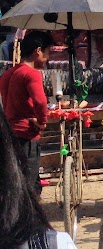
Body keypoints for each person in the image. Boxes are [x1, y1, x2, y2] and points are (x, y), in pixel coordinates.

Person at [0, 109, 103, 249]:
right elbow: (41, 106)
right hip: (27, 136)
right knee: (32, 183)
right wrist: (41, 122)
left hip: (16, 135)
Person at [0, 30, 52, 193]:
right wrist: (42, 121)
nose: (47, 58)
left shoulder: (8, 73)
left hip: (9, 134)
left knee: (16, 183)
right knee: (26, 188)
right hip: (25, 136)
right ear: (38, 51)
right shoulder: (31, 74)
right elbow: (40, 101)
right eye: (47, 53)